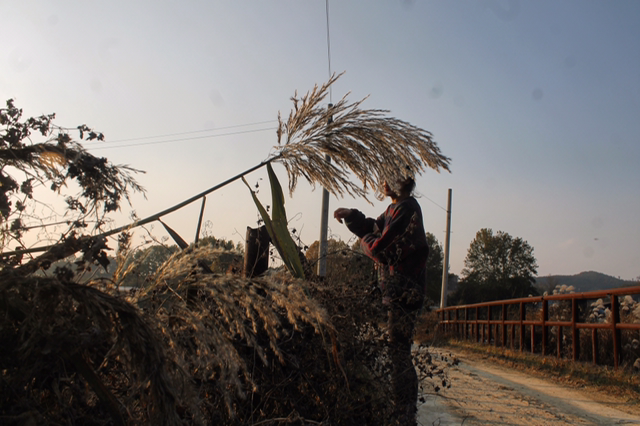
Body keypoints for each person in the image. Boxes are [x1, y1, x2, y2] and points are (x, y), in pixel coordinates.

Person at [334, 175, 429, 425]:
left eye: (390, 175)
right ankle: (403, 411)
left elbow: (380, 249)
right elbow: (375, 227)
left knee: (399, 353)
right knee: (398, 350)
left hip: (405, 292)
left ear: (404, 181)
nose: (384, 181)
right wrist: (352, 215)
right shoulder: (393, 209)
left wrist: (365, 241)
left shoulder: (407, 210)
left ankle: (405, 414)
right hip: (398, 291)